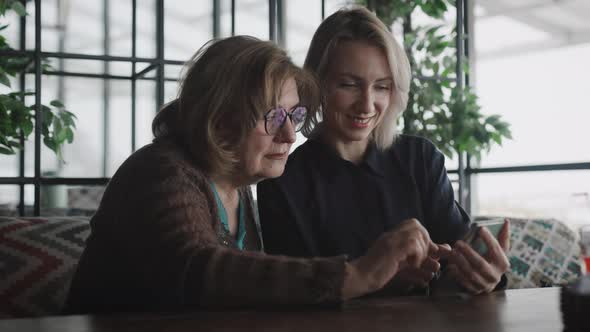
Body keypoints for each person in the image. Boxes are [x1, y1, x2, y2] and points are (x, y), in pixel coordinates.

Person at [63, 35, 444, 314]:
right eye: (273, 116)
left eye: (293, 115)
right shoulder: (160, 172)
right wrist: (357, 274)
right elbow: (197, 268)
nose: (290, 134)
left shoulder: (236, 184)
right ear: (220, 116)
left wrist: (385, 280)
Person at [257, 7, 510, 295]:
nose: (367, 105)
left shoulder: (421, 159)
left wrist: (487, 276)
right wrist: (378, 277)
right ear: (316, 83)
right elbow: (296, 294)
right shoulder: (283, 180)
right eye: (349, 85)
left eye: (382, 87)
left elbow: (460, 259)